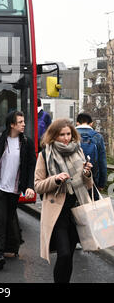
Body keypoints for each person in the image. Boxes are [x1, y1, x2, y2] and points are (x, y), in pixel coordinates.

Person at [34, 118, 93, 283]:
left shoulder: (78, 151)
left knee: (69, 256)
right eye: (62, 135)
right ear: (54, 136)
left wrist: (87, 173)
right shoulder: (45, 154)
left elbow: (88, 185)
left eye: (68, 134)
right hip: (57, 214)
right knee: (64, 254)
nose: (66, 138)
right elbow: (38, 186)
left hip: (76, 211)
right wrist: (56, 179)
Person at [0, 110, 36, 270]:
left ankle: (13, 245)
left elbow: (31, 165)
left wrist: (30, 186)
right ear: (12, 124)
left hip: (15, 188)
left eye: (23, 121)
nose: (24, 124)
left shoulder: (27, 142)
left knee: (10, 218)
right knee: (1, 218)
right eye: (20, 122)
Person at [76, 112, 107, 199]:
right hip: (93, 179)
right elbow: (102, 162)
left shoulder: (69, 135)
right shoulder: (97, 137)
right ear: (91, 123)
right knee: (92, 206)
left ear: (77, 122)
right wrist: (102, 183)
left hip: (73, 179)